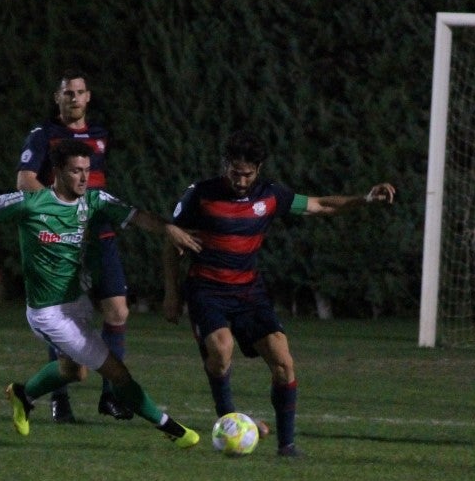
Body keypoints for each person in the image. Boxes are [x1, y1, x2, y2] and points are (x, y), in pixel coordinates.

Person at [162, 130, 396, 457]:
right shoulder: (199, 195)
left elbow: (318, 205)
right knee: (221, 351)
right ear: (224, 165)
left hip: (249, 292)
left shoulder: (271, 195)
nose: (241, 180)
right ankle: (228, 420)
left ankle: (287, 446)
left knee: (284, 362)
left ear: (258, 170)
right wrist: (172, 293)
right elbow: (171, 242)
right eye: (234, 172)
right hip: (207, 289)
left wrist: (365, 199)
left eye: (247, 174)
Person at [0, 139, 203, 448]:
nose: (84, 178)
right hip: (47, 313)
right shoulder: (32, 202)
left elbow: (136, 215)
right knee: (117, 372)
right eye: (75, 171)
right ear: (56, 172)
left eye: (87, 170)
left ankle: (22, 394)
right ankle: (174, 430)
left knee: (73, 371)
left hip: (76, 302)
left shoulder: (94, 201)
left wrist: (168, 229)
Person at [16, 70, 131, 423]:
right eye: (68, 93)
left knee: (117, 311)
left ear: (89, 97)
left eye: (80, 92)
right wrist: (60, 212)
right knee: (61, 313)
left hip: (100, 235)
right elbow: (25, 180)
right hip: (63, 239)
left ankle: (111, 396)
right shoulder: (43, 135)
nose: (74, 99)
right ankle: (59, 396)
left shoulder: (101, 134)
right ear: (58, 98)